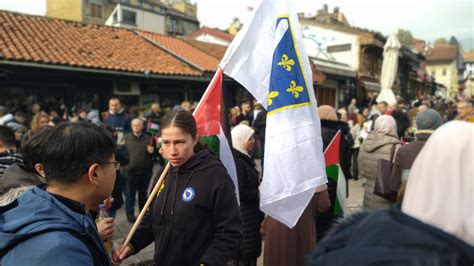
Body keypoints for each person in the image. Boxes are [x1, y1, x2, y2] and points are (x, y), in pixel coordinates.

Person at [307, 121, 474, 266]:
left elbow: (360, 167)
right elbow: (394, 183)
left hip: (373, 193)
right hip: (386, 198)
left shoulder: (353, 235)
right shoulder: (447, 255)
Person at [113, 110, 242, 266]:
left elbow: (230, 230)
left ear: (194, 140)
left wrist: (207, 263)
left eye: (179, 142)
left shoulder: (215, 175)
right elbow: (152, 220)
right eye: (166, 143)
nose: (172, 151)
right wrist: (132, 244)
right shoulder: (163, 173)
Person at [0, 121, 116, 265]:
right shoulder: (62, 251)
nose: (115, 171)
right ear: (95, 174)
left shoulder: (38, 203)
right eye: (114, 165)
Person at [264, 184, 330, 266]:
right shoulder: (314, 177)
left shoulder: (276, 173)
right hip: (303, 227)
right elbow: (324, 205)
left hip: (277, 227)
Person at [229, 124, 264, 266]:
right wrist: (259, 192)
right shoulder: (237, 162)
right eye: (250, 138)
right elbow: (239, 191)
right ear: (241, 139)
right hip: (243, 218)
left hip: (249, 217)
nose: (253, 141)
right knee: (243, 258)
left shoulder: (244, 158)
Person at [316, 105, 352, 241]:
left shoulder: (313, 133)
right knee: (334, 225)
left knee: (318, 225)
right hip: (338, 185)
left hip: (319, 187)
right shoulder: (341, 135)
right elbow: (347, 162)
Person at [389, 109, 442, 200]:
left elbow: (394, 185)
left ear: (418, 125)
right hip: (439, 206)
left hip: (409, 204)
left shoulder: (404, 150)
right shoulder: (448, 149)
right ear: (439, 125)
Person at [358, 115, 400, 210]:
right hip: (386, 196)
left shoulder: (365, 143)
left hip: (368, 192)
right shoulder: (395, 147)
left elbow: (361, 171)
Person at [123, 118, 155, 223]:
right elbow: (120, 153)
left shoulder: (148, 138)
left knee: (143, 194)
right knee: (130, 195)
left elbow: (156, 155)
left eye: (138, 125)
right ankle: (130, 215)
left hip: (145, 171)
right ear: (131, 127)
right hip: (130, 171)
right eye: (134, 125)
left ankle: (143, 214)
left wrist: (152, 151)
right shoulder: (126, 138)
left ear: (142, 126)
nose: (136, 127)